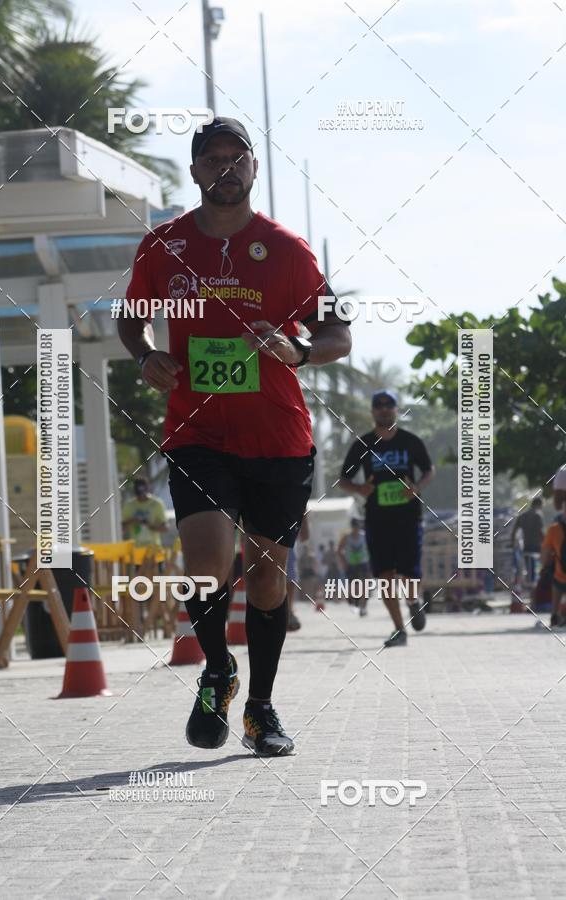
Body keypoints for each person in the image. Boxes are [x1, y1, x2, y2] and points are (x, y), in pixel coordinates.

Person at [119, 116, 351, 756]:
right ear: (194, 171)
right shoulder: (162, 247)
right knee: (205, 561)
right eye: (211, 159)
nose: (224, 169)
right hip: (198, 431)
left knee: (269, 579)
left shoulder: (286, 250)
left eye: (235, 158)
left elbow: (338, 336)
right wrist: (144, 357)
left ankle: (262, 709)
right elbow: (131, 321)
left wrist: (297, 352)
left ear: (253, 169)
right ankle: (218, 669)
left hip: (277, 436)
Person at [339, 390, 435, 647]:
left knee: (409, 572)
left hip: (408, 517)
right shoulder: (363, 445)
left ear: (396, 409)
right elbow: (343, 479)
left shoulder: (410, 441)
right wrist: (359, 489)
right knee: (384, 574)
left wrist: (417, 488)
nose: (384, 410)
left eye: (389, 406)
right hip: (377, 520)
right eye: (378, 406)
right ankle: (398, 629)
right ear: (373, 412)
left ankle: (413, 601)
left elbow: (428, 470)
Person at [540, 495, 566, 628]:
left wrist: (544, 567)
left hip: (560, 574)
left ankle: (555, 615)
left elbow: (545, 553)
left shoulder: (554, 529)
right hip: (560, 573)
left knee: (557, 585)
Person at [121, 477, 168, 547]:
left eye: (143, 493)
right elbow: (121, 529)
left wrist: (150, 526)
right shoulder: (129, 505)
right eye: (138, 494)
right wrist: (132, 521)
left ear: (147, 489)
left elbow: (165, 528)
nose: (141, 497)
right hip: (136, 549)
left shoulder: (157, 504)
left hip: (153, 548)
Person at [337, 518, 370, 615]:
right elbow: (339, 550)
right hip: (351, 564)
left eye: (357, 526)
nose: (356, 528)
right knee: (354, 587)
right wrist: (343, 562)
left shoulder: (364, 536)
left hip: (363, 564)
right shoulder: (347, 537)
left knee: (365, 586)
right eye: (354, 527)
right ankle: (356, 604)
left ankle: (363, 608)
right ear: (352, 527)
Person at [511, 496, 544, 585]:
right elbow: (541, 532)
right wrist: (546, 544)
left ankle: (530, 583)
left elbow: (514, 531)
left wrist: (512, 543)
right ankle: (534, 585)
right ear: (538, 504)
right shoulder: (538, 515)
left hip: (526, 546)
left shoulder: (522, 515)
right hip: (537, 546)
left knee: (529, 566)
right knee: (536, 566)